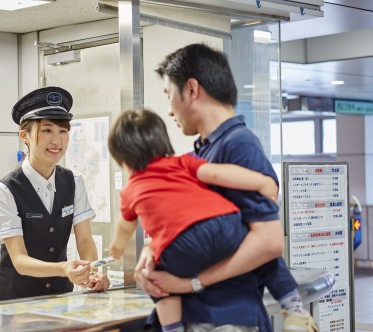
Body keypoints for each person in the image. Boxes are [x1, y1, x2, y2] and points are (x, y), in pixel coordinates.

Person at [135, 44, 319, 332]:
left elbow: (268, 244)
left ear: (192, 89)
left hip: (225, 317)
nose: (169, 110)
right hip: (202, 315)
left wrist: (189, 283)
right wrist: (149, 254)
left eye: (169, 95)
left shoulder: (238, 145)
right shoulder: (202, 154)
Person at [107, 109, 279, 332]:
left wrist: (117, 248)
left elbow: (124, 226)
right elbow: (217, 174)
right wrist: (262, 182)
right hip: (227, 228)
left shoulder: (132, 188)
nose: (171, 109)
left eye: (169, 92)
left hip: (213, 296)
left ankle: (172, 327)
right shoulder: (184, 163)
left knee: (156, 276)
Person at [0, 86, 109, 302]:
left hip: (57, 298)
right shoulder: (5, 190)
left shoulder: (74, 182)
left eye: (63, 131)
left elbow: (85, 240)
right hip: (11, 300)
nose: (57, 141)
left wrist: (94, 274)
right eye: (47, 130)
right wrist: (64, 269)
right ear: (25, 136)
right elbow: (20, 260)